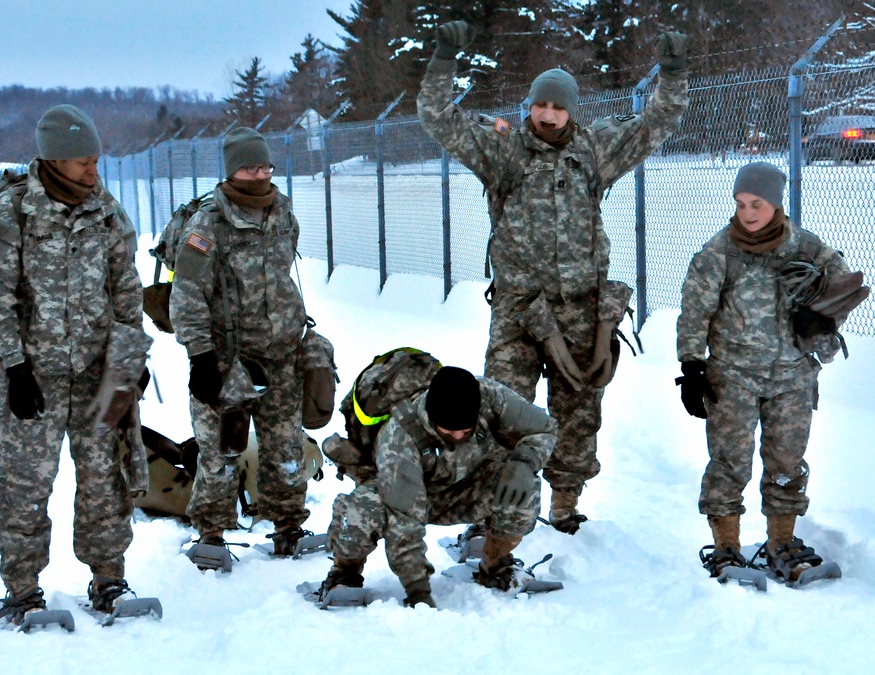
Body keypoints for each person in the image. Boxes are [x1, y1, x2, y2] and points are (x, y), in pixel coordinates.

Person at [418, 21, 690, 534]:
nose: (547, 115)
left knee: (578, 408)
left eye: (558, 107)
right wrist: (442, 62)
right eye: (540, 105)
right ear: (530, 105)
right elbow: (437, 116)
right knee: (499, 408)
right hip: (519, 310)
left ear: (571, 110)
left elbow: (657, 120)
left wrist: (672, 74)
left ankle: (564, 504)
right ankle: (491, 511)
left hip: (581, 308)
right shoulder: (502, 150)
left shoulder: (595, 149)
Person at [0, 104, 151, 623]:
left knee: (105, 481)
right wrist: (14, 365)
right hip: (34, 378)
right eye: (81, 162)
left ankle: (108, 580)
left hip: (99, 375)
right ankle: (23, 588)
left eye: (96, 160)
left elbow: (126, 289)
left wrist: (130, 356)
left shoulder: (108, 212)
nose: (93, 170)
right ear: (53, 160)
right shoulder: (12, 213)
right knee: (26, 485)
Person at [676, 162, 868, 581]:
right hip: (733, 376)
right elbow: (695, 312)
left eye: (757, 204)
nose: (747, 212)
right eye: (741, 203)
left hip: (793, 377)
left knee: (787, 462)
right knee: (730, 463)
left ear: (776, 203)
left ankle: (782, 544)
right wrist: (692, 367)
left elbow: (845, 287)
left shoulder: (805, 247)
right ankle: (726, 548)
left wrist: (821, 320)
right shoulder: (718, 252)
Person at [169, 127, 312, 559]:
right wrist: (200, 357)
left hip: (282, 354)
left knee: (287, 448)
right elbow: (188, 294)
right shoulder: (208, 222)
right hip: (228, 360)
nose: (261, 174)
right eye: (251, 167)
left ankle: (288, 525)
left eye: (265, 165)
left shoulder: (282, 211)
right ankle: (210, 534)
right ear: (232, 170)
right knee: (220, 453)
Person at [319, 366, 559, 607]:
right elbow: (404, 523)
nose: (457, 437)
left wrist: (524, 463)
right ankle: (344, 572)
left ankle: (495, 565)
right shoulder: (400, 438)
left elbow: (544, 428)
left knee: (523, 485)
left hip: (467, 487)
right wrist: (417, 589)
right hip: (404, 498)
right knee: (364, 509)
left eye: (465, 431)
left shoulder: (490, 396)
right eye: (448, 431)